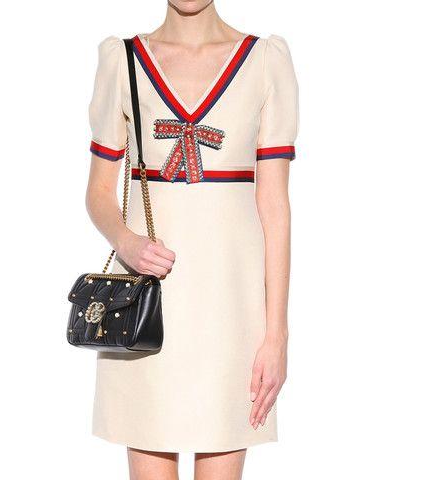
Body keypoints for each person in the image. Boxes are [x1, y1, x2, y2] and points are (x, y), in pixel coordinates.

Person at [85, 1, 298, 478]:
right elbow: (98, 191)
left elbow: (275, 208)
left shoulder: (264, 61)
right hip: (146, 307)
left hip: (231, 311)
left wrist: (276, 334)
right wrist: (126, 241)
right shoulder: (123, 59)